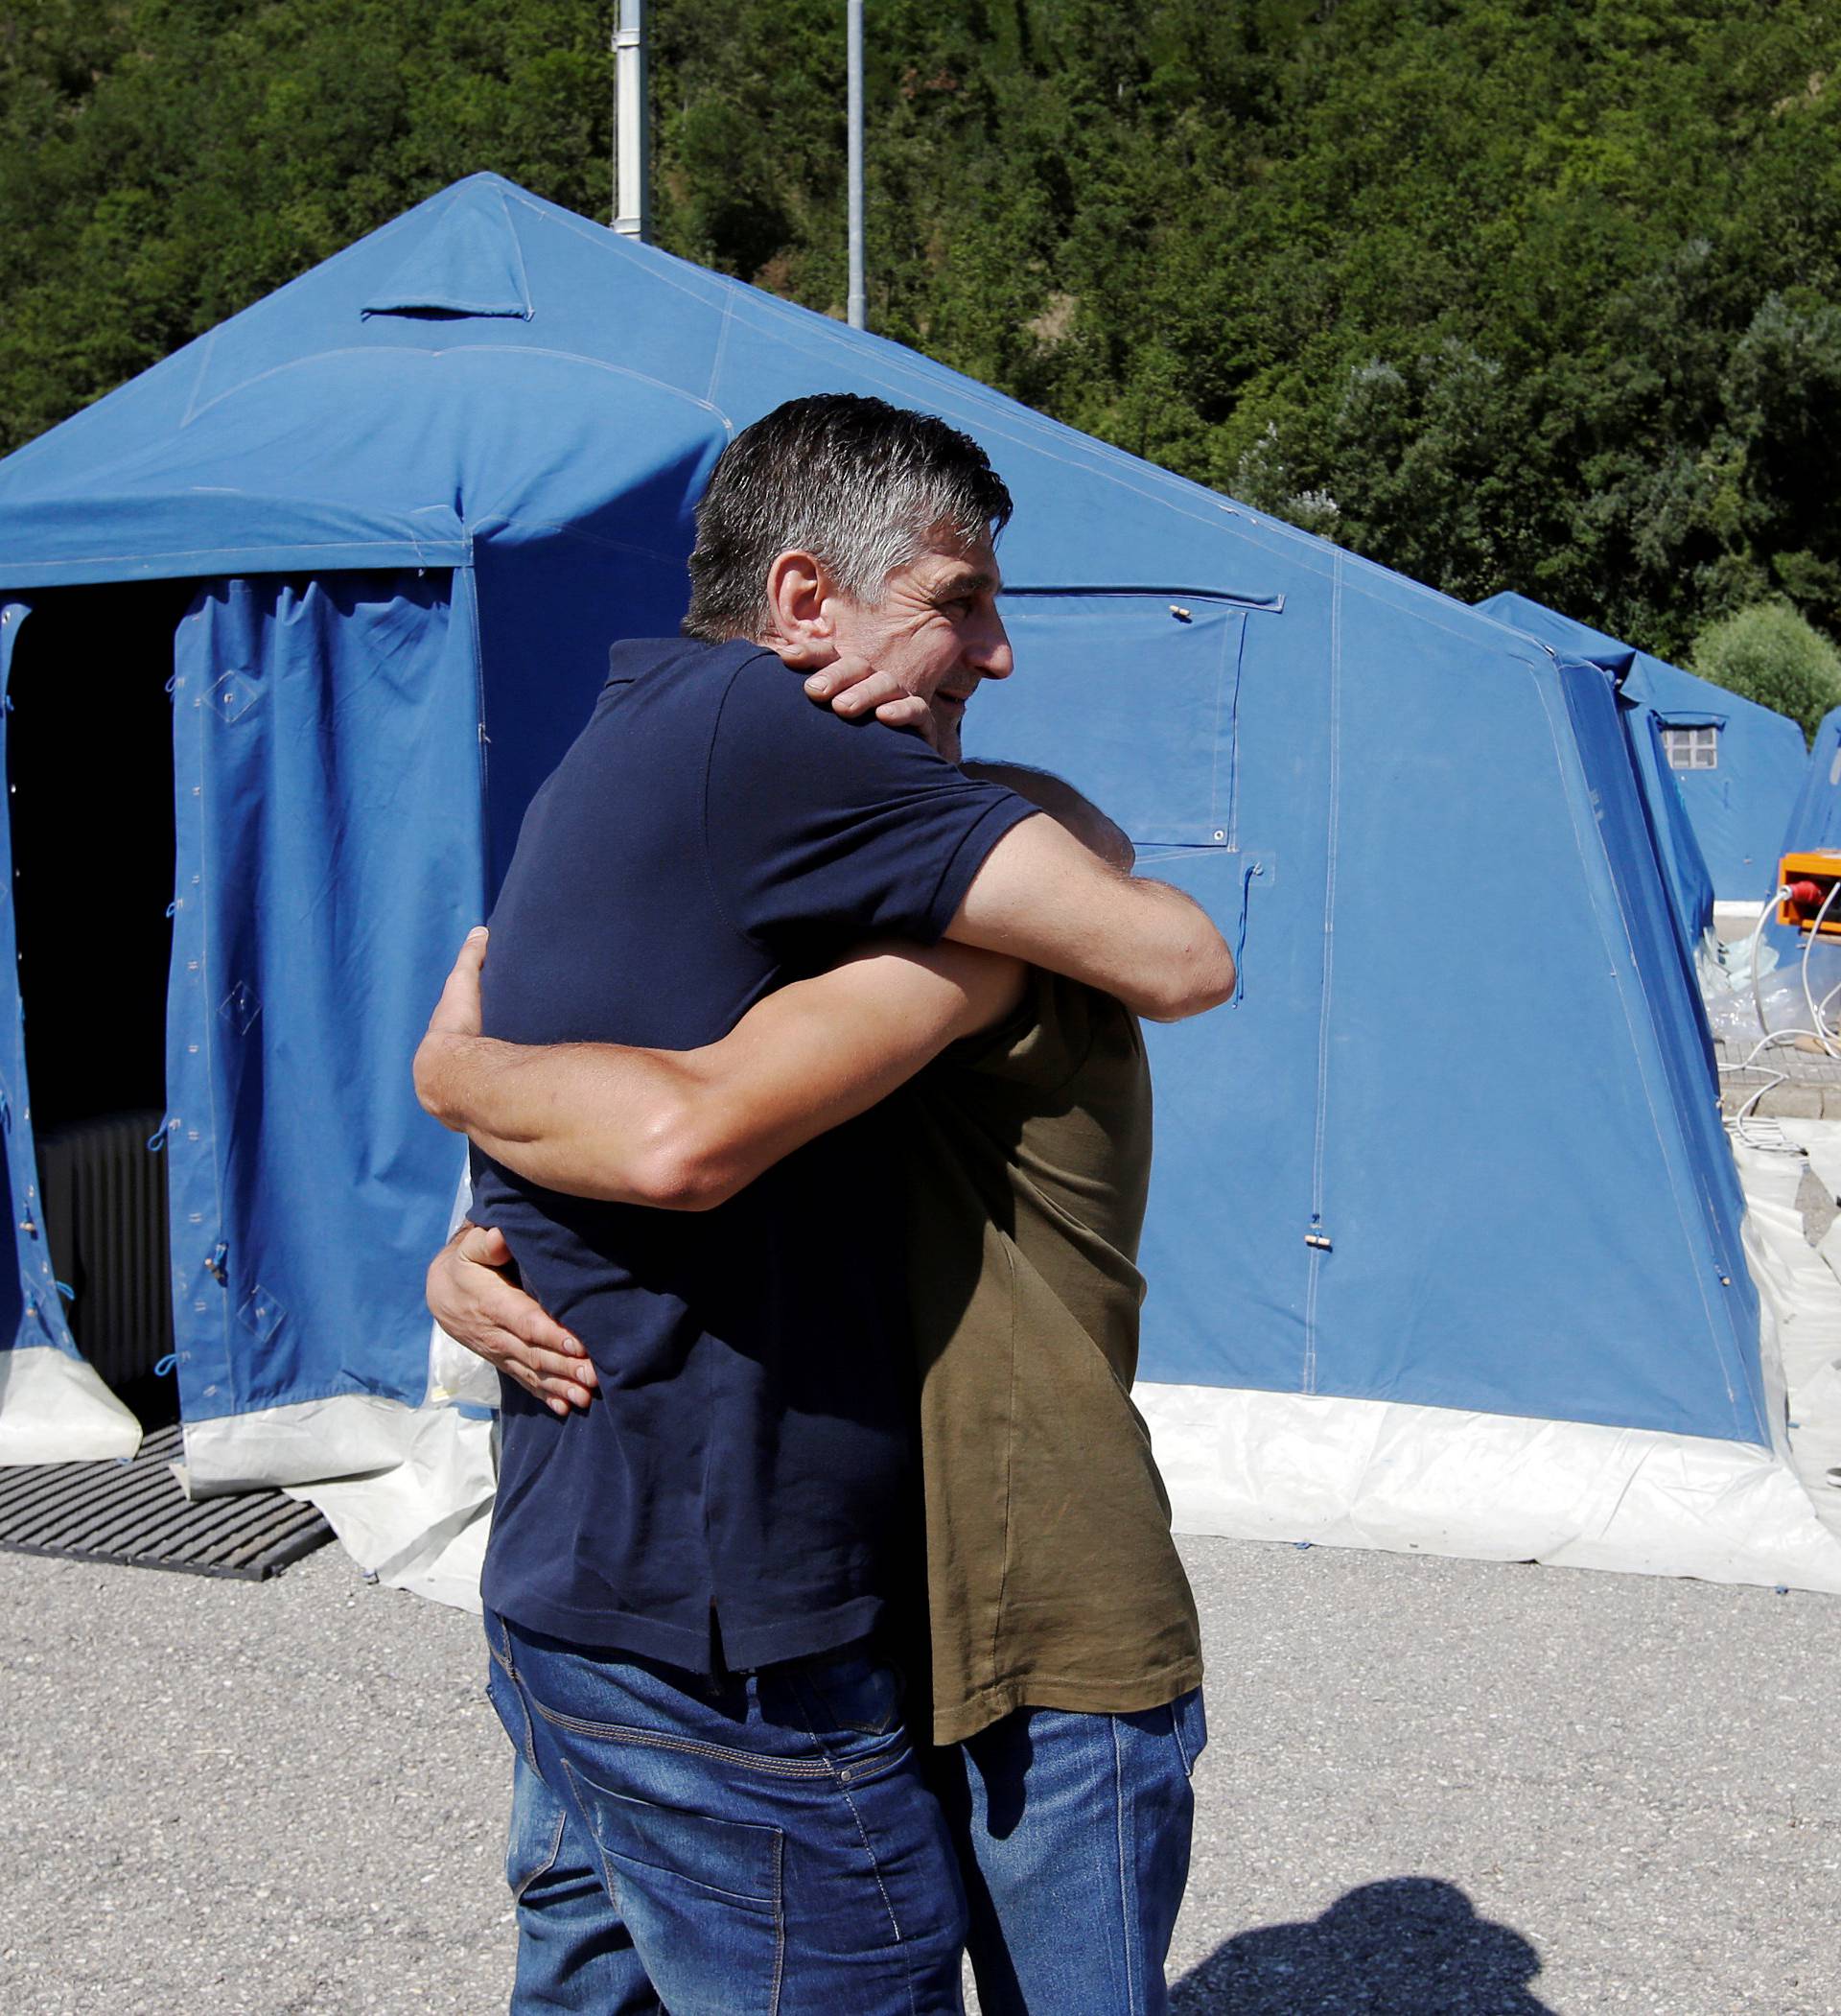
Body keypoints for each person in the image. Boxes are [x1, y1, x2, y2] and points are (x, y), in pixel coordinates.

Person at [429, 392, 1233, 2014]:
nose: (996, 648)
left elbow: (1148, 929)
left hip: (652, 1589)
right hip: (734, 1629)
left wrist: (454, 1088)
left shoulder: (660, 742)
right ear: (807, 601)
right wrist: (458, 1111)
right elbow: (1170, 952)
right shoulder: (797, 755)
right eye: (958, 600)